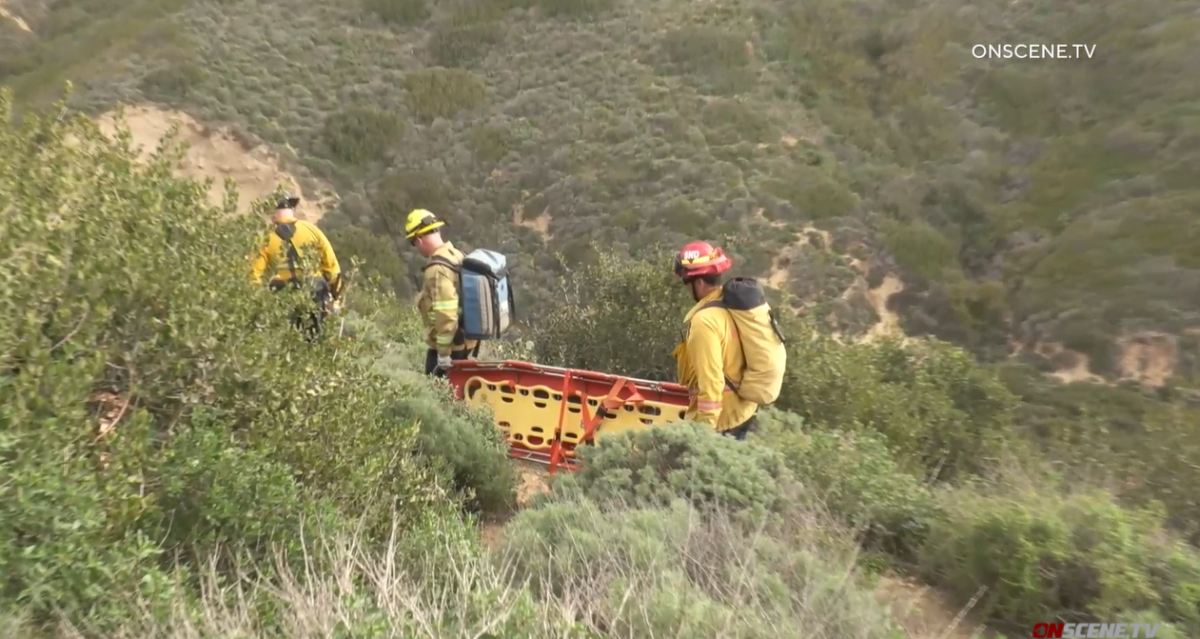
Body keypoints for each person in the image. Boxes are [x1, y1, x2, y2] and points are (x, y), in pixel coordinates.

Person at [671, 241, 759, 440]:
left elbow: (711, 383)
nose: (686, 289)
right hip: (744, 412)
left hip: (722, 425)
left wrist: (704, 435)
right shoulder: (733, 307)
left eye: (687, 284)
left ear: (699, 283)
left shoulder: (704, 322)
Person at [250, 193, 344, 340]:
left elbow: (253, 276)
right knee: (313, 341)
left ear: (273, 215)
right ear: (292, 211)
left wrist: (257, 301)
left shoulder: (265, 239)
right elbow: (332, 268)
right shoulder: (312, 231)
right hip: (314, 291)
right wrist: (336, 296)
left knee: (282, 342)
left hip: (280, 294)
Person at [404, 208, 478, 377]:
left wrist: (443, 355)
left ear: (419, 239)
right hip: (465, 341)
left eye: (413, 242)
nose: (416, 247)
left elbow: (446, 314)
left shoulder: (437, 269)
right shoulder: (456, 254)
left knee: (436, 395)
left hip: (452, 348)